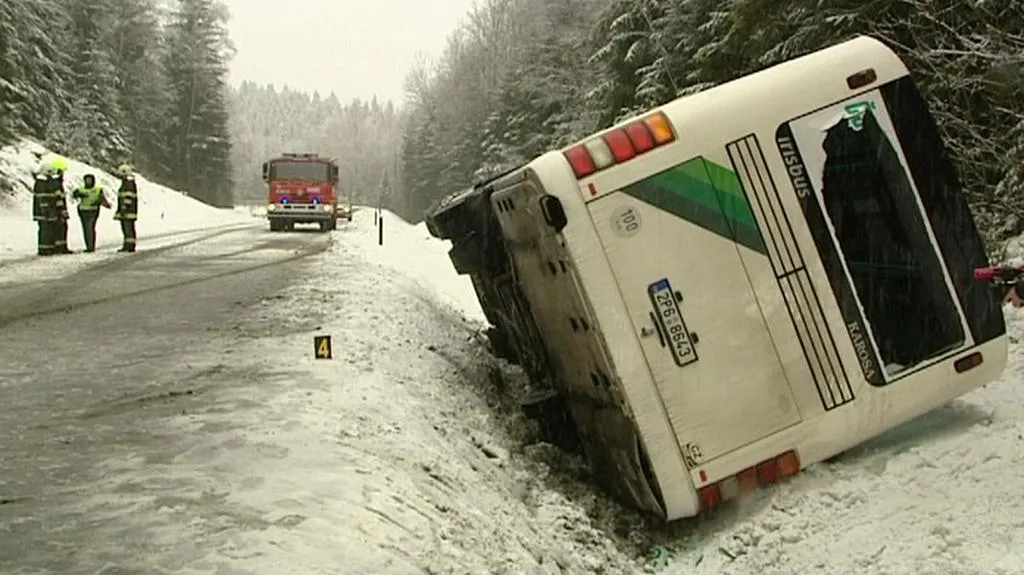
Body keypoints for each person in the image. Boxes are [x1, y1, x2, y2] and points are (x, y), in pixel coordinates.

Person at [72, 173, 110, 252]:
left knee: (90, 228)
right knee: (85, 229)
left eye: (90, 180)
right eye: (86, 180)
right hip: (82, 211)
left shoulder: (98, 190)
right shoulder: (81, 189)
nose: (88, 181)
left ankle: (91, 246)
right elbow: (74, 195)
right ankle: (88, 245)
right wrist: (78, 194)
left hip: (93, 211)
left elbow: (103, 200)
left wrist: (101, 203)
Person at [32, 160, 57, 256]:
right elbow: (42, 199)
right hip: (43, 212)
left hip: (48, 210)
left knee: (49, 230)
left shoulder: (45, 182)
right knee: (45, 230)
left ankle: (49, 248)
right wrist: (46, 211)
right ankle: (44, 249)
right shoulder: (41, 183)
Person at [50, 156, 73, 254]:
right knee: (60, 229)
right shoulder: (56, 183)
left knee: (61, 228)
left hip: (56, 210)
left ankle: (61, 247)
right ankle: (60, 248)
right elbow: (58, 199)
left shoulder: (54, 182)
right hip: (58, 211)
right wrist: (62, 211)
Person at [113, 163, 138, 252]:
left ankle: (130, 246)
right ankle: (127, 245)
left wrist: (124, 207)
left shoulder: (129, 184)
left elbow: (128, 197)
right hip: (127, 211)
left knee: (128, 229)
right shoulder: (126, 183)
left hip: (128, 212)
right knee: (126, 229)